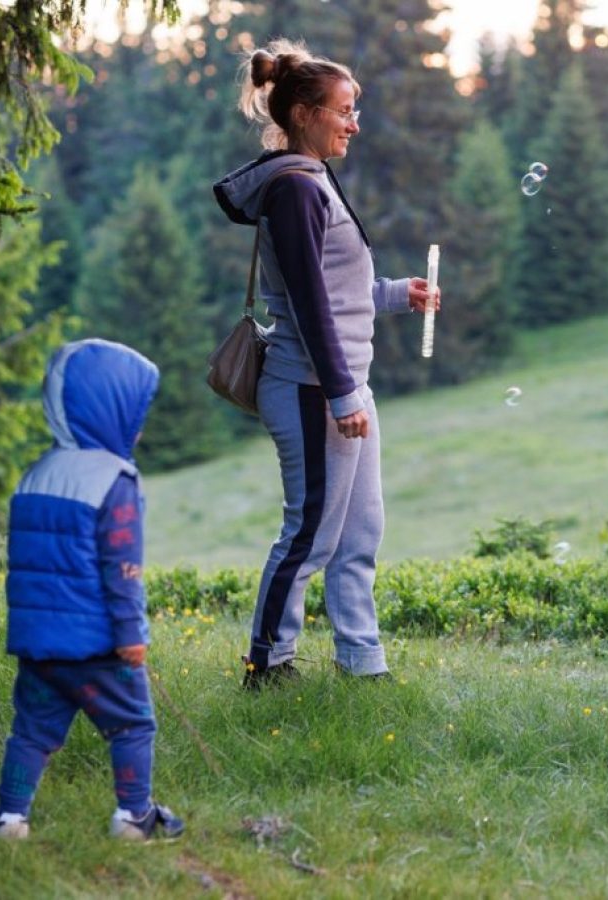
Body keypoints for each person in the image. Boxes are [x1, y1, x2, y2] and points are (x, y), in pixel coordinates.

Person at [213, 40, 439, 687]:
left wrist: (400, 295)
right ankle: (268, 664)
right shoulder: (293, 188)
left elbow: (336, 292)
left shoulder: (311, 180)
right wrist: (342, 397)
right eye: (344, 110)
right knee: (309, 534)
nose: (354, 123)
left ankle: (362, 663)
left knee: (359, 532)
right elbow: (310, 306)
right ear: (306, 113)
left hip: (339, 387)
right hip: (313, 390)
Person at [0, 339, 183, 841]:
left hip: (38, 644)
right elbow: (122, 571)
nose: (138, 426)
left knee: (31, 731)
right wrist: (131, 635)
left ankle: (10, 817)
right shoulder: (114, 481)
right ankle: (134, 816)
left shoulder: (36, 474)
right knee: (133, 726)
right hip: (97, 644)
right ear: (107, 409)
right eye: (135, 412)